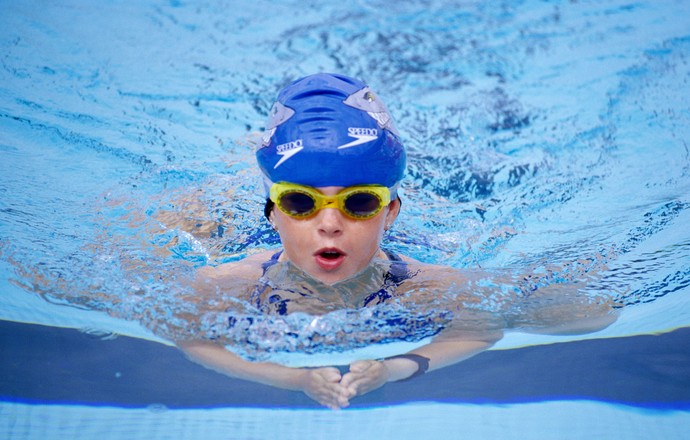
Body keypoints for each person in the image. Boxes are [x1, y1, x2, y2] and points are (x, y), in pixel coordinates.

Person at [177, 73, 615, 409]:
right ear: (273, 213)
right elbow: (190, 339)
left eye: (360, 202)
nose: (329, 224)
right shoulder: (228, 281)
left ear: (389, 213)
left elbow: (590, 316)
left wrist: (394, 370)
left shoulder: (427, 284)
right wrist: (294, 379)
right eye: (299, 201)